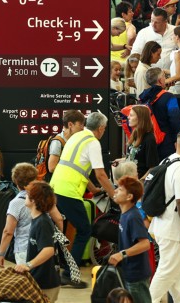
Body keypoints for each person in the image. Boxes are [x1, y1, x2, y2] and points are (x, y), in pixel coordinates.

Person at [49, 111, 114, 287]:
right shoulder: (93, 143)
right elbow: (100, 173)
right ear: (101, 128)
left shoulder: (76, 137)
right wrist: (114, 195)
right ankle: (70, 273)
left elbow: (78, 168)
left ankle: (60, 266)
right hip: (68, 191)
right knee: (85, 229)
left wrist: (94, 190)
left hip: (56, 187)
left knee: (58, 230)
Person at [148, 133, 180, 303]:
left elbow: (171, 192)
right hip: (174, 230)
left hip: (162, 224)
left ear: (176, 144)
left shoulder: (167, 161)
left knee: (179, 269)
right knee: (167, 270)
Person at [14, 181, 62, 303]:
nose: (25, 195)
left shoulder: (42, 222)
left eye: (27, 194)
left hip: (46, 284)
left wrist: (28, 265)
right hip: (40, 281)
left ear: (34, 200)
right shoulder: (37, 219)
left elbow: (48, 250)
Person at [107, 176, 151, 303]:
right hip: (129, 272)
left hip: (137, 274)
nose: (115, 191)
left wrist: (122, 254)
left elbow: (145, 244)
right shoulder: (125, 214)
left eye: (120, 190)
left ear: (129, 197)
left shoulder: (133, 216)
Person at [123, 105, 159, 178]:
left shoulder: (149, 138)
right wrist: (122, 160)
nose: (128, 117)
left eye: (131, 115)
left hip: (138, 183)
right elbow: (136, 157)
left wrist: (141, 182)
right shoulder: (135, 135)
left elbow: (152, 167)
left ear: (140, 118)